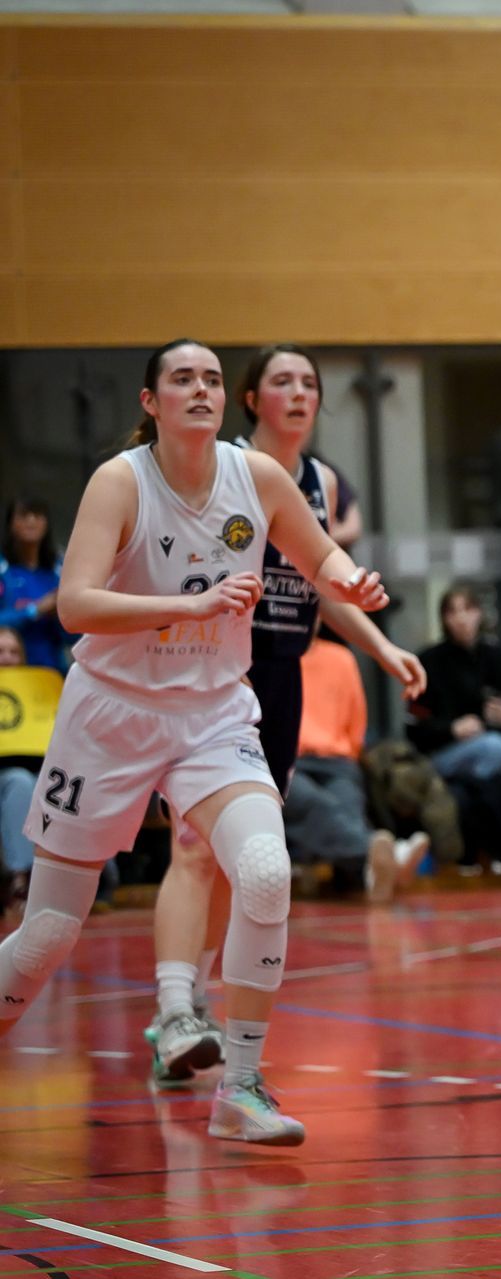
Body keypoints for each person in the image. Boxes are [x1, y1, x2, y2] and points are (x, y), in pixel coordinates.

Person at [0, 337, 390, 1148]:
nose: (202, 389)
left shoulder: (259, 477)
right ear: (152, 402)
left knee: (265, 870)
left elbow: (319, 556)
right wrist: (192, 605)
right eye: (183, 379)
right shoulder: (121, 481)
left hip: (212, 711)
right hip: (111, 712)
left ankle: (240, 1088)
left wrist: (349, 579)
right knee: (47, 936)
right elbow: (75, 604)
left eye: (211, 377)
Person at [140, 343, 425, 1090]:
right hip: (215, 673)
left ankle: (193, 1001)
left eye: (309, 383)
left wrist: (381, 646)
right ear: (251, 399)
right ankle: (173, 1007)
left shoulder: (319, 481)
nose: (298, 393)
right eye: (282, 382)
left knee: (242, 858)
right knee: (194, 848)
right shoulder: (227, 467)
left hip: (282, 678)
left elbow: (322, 582)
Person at [282, 636, 430, 902]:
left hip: (337, 760)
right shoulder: (271, 654)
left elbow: (357, 714)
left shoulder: (341, 658)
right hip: (289, 760)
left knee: (347, 801)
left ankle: (371, 871)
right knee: (312, 802)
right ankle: (382, 855)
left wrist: (348, 755)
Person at [408, 586, 501, 784]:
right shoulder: (428, 662)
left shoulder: (500, 659)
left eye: (468, 609)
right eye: (452, 612)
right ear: (444, 619)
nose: (461, 619)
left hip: (496, 742)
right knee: (494, 748)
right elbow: (414, 727)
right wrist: (452, 729)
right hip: (443, 751)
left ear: (479, 613)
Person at [0, 625, 58, 907]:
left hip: (38, 769)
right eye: (0, 651)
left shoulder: (40, 689)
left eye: (13, 652)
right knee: (20, 782)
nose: (7, 658)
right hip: (8, 776)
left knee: (59, 786)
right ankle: (22, 878)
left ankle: (92, 877)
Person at [0, 498, 72, 670]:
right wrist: (36, 610)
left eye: (37, 515)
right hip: (9, 671)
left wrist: (61, 615)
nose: (31, 520)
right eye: (24, 515)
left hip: (52, 671)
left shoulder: (59, 570)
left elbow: (74, 637)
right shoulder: (3, 570)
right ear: (10, 523)